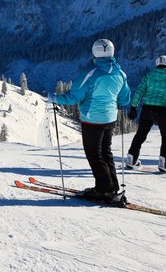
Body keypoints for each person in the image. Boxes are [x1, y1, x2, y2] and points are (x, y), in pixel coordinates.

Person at [51, 38, 131, 204]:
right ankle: (112, 187)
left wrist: (54, 98)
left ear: (95, 52)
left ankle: (104, 190)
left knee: (94, 154)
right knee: (105, 152)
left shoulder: (91, 73)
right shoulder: (120, 74)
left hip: (92, 119)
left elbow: (74, 97)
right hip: (110, 119)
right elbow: (125, 99)